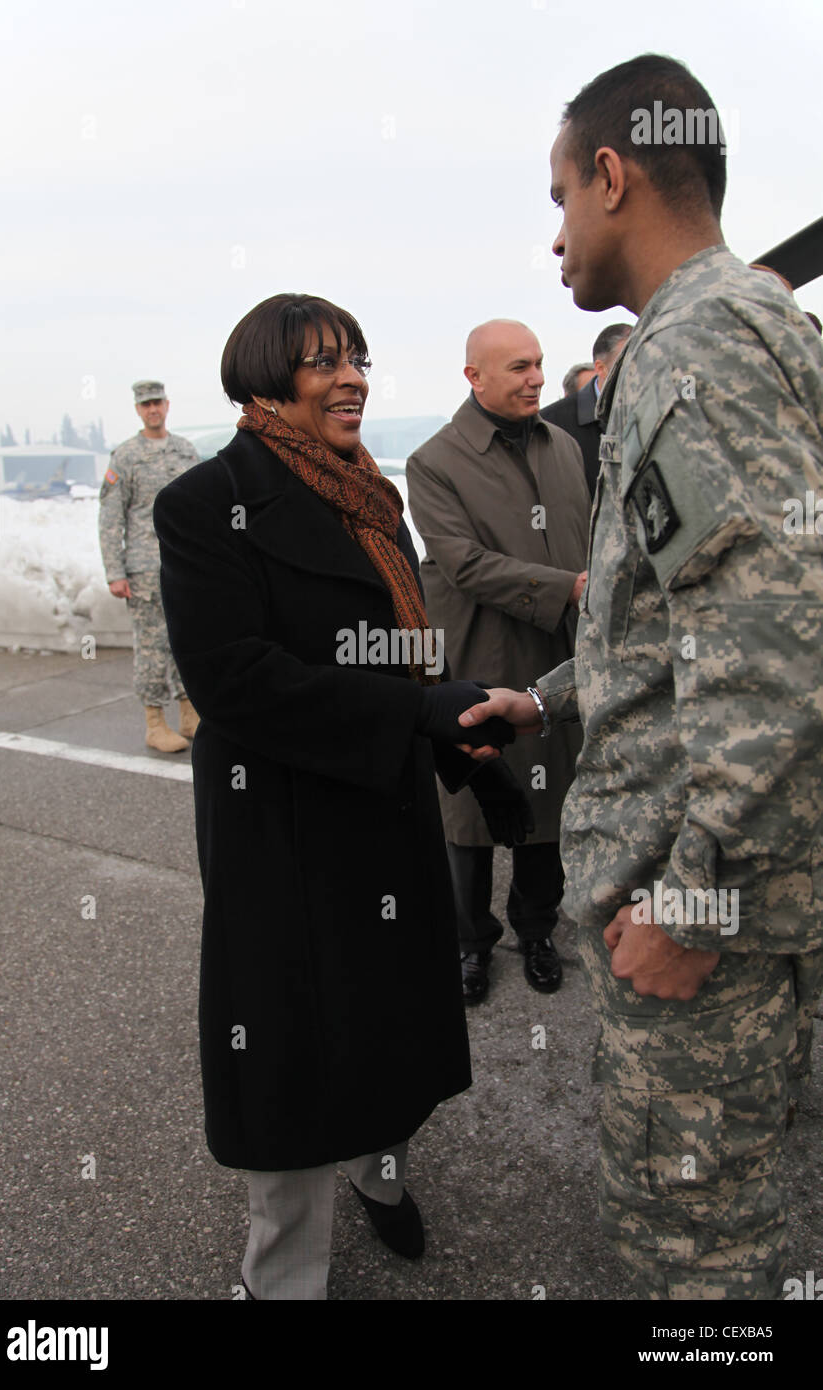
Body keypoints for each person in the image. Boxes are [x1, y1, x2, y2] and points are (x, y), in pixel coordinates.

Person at [458, 54, 823, 1299]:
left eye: (559, 195)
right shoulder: (748, 323)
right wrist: (545, 697)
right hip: (731, 883)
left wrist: (690, 905)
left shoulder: (691, 350)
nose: (554, 234)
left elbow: (776, 654)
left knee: (695, 1252)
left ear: (611, 176)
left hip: (704, 907)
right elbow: (684, 621)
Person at [152, 293, 523, 1301]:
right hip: (281, 822)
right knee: (287, 1047)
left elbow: (406, 653)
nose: (352, 376)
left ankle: (379, 1169)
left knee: (389, 1021)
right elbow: (233, 682)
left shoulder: (371, 494)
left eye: (357, 357)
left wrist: (453, 738)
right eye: (323, 361)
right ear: (265, 377)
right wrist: (415, 716)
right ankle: (281, 1274)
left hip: (385, 804)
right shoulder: (202, 504)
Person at [407, 320, 590, 1004]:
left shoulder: (565, 448)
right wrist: (569, 587)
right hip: (479, 661)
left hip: (558, 657)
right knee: (471, 816)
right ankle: (470, 943)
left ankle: (537, 931)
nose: (536, 378)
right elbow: (464, 563)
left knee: (548, 810)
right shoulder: (435, 462)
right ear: (473, 377)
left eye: (539, 364)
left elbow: (591, 535)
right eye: (518, 367)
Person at [98, 381, 200, 752]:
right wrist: (115, 571)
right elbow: (111, 517)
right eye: (146, 405)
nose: (152, 409)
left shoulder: (185, 452)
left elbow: (201, 508)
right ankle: (154, 721)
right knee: (152, 644)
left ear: (167, 405)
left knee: (186, 637)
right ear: (138, 410)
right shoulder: (125, 457)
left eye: (157, 402)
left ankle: (189, 714)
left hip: (183, 565)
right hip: (143, 569)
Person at [541, 324, 632, 498]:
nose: (639, 372)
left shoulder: (657, 413)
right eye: (629, 363)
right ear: (600, 368)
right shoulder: (551, 423)